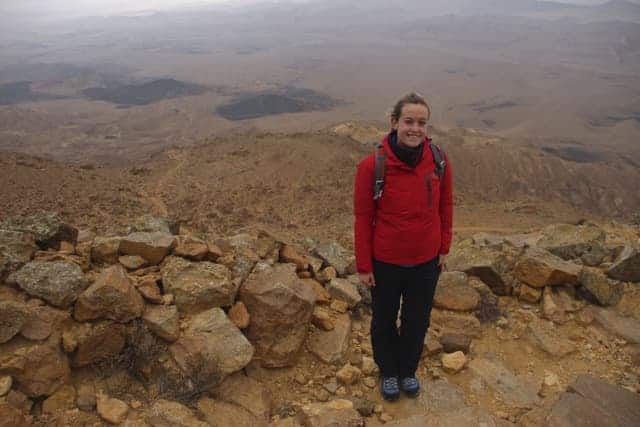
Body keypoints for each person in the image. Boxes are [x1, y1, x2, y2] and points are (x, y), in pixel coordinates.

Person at [353, 92, 453, 401]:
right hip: (386, 261)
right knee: (383, 319)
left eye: (421, 123)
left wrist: (444, 247)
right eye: (409, 121)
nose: (415, 128)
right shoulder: (372, 166)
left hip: (425, 260)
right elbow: (362, 217)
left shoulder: (438, 161)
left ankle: (408, 370)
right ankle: (389, 371)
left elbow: (446, 206)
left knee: (417, 319)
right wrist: (363, 266)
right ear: (394, 122)